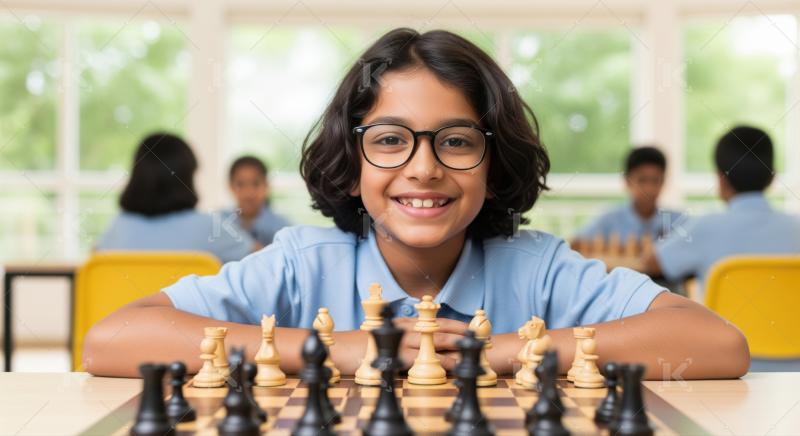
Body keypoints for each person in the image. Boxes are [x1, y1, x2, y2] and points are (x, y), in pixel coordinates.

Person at [84, 29, 748, 379]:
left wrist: (510, 351)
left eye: (457, 141)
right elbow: (109, 341)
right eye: (391, 141)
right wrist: (327, 349)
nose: (424, 168)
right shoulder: (300, 263)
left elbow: (716, 345)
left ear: (494, 163)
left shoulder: (539, 268)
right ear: (350, 166)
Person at [646, 126, 800, 300]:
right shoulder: (796, 227)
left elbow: (652, 263)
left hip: (723, 327)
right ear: (772, 177)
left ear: (721, 179)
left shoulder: (704, 226)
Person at [95, 132, 256, 263]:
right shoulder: (209, 227)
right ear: (187, 177)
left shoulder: (118, 227)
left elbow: (94, 263)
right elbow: (264, 262)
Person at [575, 146, 684, 242]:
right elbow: (574, 245)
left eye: (656, 180)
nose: (649, 189)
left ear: (664, 181)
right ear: (627, 181)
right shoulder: (608, 221)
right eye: (642, 180)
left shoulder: (678, 221)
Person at [221, 156, 290, 246]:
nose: (248, 193)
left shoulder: (282, 227)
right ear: (230, 186)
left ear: (266, 185)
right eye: (240, 184)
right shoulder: (220, 222)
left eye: (256, 184)